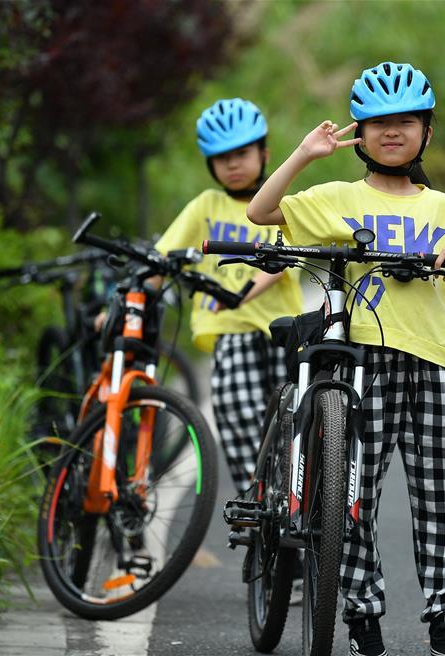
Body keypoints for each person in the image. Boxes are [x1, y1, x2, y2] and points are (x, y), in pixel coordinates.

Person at [247, 61, 445, 656]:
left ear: (426, 132)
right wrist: (304, 154)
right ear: (359, 133)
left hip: (433, 365)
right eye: (379, 123)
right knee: (349, 499)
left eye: (406, 122)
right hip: (359, 364)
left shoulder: (442, 207)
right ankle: (361, 618)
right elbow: (260, 211)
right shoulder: (337, 197)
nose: (392, 132)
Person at [154, 98, 303, 494]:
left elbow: (284, 260)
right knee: (238, 421)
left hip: (281, 332)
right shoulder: (207, 206)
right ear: (211, 164)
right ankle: (253, 503)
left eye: (242, 154)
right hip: (230, 331)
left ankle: (291, 501)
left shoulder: (279, 205)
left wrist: (243, 292)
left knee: (292, 426)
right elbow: (163, 256)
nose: (233, 164)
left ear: (264, 154)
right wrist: (136, 296)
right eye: (222, 158)